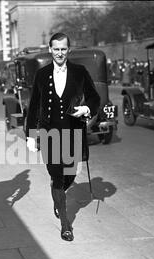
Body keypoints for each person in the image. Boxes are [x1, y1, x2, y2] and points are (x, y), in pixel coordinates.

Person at [25, 33, 100, 241]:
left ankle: (57, 196)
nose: (59, 53)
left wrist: (86, 108)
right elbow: (33, 107)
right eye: (56, 49)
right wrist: (31, 135)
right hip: (50, 134)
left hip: (73, 132)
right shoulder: (41, 74)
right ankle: (65, 223)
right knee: (57, 176)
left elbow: (94, 97)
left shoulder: (79, 72)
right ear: (50, 49)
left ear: (68, 50)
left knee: (71, 175)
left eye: (63, 49)